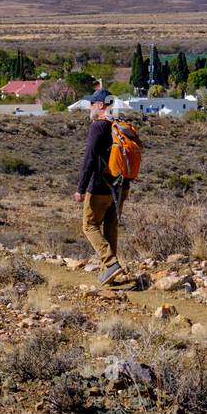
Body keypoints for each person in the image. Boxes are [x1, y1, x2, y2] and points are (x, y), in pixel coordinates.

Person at [75, 88, 126, 285]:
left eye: (92, 104)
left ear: (100, 105)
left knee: (89, 225)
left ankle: (111, 263)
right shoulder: (118, 124)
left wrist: (80, 188)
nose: (89, 107)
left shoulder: (99, 126)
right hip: (120, 186)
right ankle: (110, 273)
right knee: (110, 226)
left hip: (99, 186)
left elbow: (89, 159)